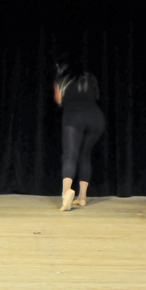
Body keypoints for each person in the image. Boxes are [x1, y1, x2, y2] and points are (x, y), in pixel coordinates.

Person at [54, 60, 105, 211]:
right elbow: (95, 96)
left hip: (74, 118)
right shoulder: (90, 77)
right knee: (85, 155)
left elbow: (59, 99)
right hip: (96, 119)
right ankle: (82, 198)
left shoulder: (61, 79)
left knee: (70, 155)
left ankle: (66, 194)